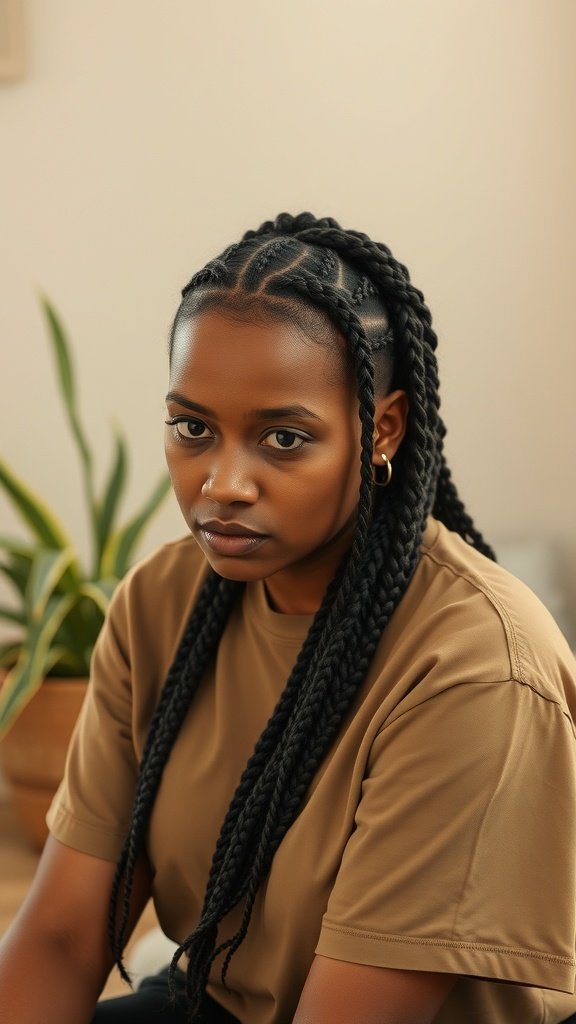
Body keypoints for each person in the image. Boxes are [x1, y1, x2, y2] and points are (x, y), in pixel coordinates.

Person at [1, 212, 575, 1024]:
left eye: (282, 437)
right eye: (192, 428)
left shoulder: (474, 667)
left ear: (382, 428)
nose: (222, 482)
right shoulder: (160, 604)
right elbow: (60, 938)